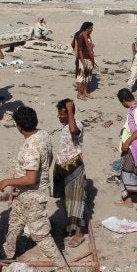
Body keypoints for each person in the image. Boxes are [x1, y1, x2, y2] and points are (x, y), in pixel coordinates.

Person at [0, 106, 72, 272]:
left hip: (32, 195)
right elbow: (50, 158)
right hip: (25, 194)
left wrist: (8, 182)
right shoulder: (43, 134)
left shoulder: (31, 146)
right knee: (15, 221)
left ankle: (62, 269)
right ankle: (7, 253)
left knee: (40, 233)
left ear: (19, 127)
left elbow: (30, 178)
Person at [52, 99, 87, 248]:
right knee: (67, 201)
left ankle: (80, 232)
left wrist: (70, 110)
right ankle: (71, 227)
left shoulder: (76, 125)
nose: (58, 117)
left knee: (76, 202)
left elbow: (74, 132)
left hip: (74, 169)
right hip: (63, 167)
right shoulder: (66, 126)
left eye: (61, 114)